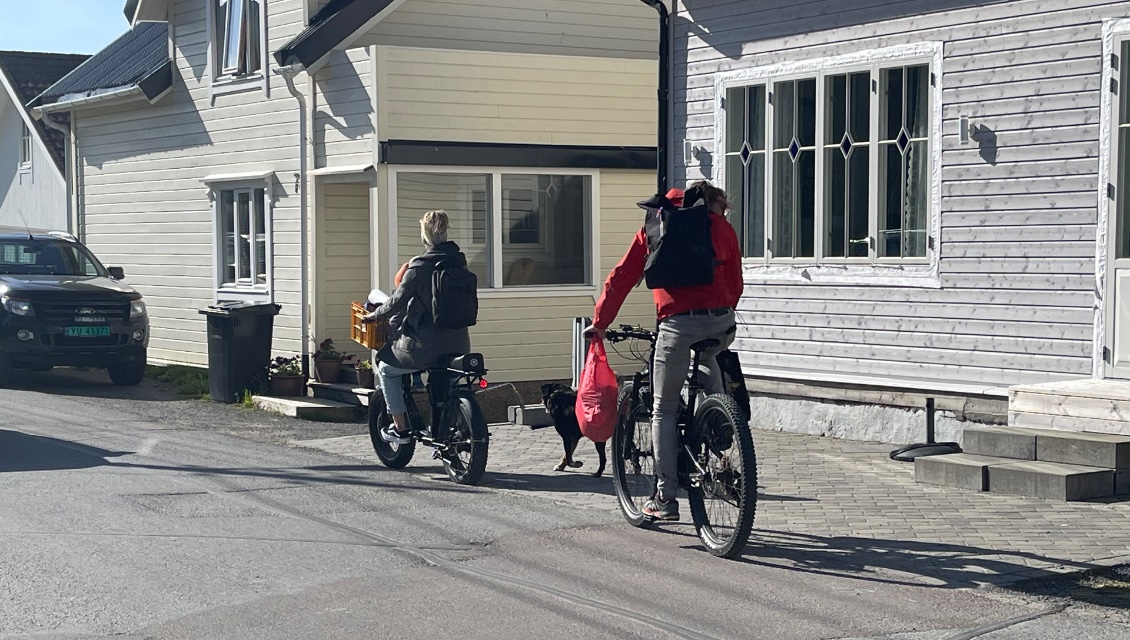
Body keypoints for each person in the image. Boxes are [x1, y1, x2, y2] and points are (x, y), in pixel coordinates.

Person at [586, 182, 743, 521]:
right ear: (713, 204)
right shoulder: (723, 228)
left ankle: (665, 497)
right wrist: (719, 309)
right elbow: (736, 283)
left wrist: (600, 321)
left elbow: (622, 277)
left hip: (676, 326)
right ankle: (717, 423)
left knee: (664, 409)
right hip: (720, 325)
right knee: (709, 359)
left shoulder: (656, 223)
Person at [364, 210, 472, 444]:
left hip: (424, 347)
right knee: (448, 380)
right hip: (459, 343)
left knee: (385, 367)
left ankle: (401, 428)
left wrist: (374, 315)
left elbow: (395, 303)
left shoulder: (419, 267)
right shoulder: (459, 261)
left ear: (424, 236)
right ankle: (450, 423)